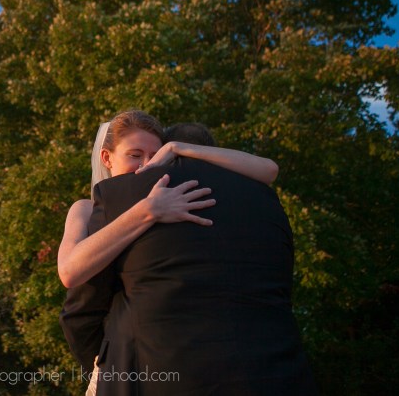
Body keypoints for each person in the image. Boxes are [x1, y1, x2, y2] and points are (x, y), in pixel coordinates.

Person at [62, 116, 316, 395]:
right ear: (106, 157)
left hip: (152, 370)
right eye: (135, 155)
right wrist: (149, 209)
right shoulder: (266, 205)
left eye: (154, 155)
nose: (147, 166)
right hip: (278, 373)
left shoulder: (127, 196)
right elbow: (72, 273)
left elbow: (83, 309)